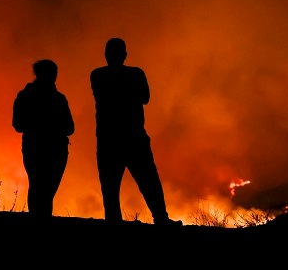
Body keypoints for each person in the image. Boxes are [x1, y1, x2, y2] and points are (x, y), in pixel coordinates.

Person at [90, 37, 182, 226]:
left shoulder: (98, 75)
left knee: (110, 184)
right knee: (148, 180)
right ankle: (161, 219)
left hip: (109, 138)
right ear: (125, 55)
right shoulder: (135, 74)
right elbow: (145, 97)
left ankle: (114, 221)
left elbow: (106, 97)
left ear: (106, 55)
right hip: (133, 136)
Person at [12, 59, 75, 218]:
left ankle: (38, 219)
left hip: (36, 147)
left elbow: (18, 125)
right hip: (53, 149)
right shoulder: (59, 99)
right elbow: (69, 128)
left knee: (39, 187)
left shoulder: (25, 95)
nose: (53, 77)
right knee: (46, 189)